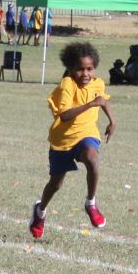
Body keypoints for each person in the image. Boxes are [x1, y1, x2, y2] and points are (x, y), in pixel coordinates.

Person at [29, 41, 115, 240]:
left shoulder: (97, 83)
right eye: (80, 69)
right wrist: (90, 104)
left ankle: (91, 203)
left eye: (89, 69)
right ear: (70, 68)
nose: (85, 74)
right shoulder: (66, 85)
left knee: (92, 159)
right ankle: (40, 211)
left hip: (87, 134)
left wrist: (112, 121)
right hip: (63, 139)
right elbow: (66, 115)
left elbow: (102, 100)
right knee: (56, 184)